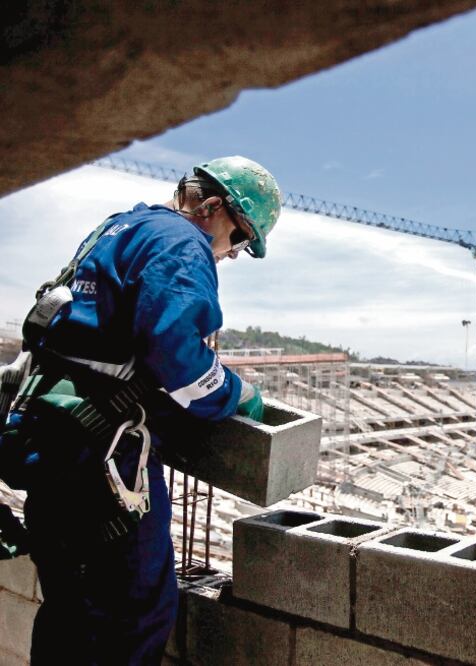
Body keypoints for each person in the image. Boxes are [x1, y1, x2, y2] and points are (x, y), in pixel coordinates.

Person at [0, 155, 282, 664]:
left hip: (52, 443)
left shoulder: (120, 227)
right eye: (240, 239)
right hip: (99, 464)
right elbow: (178, 357)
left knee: (68, 613)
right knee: (132, 619)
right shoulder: (182, 243)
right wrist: (236, 394)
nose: (234, 254)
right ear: (214, 207)